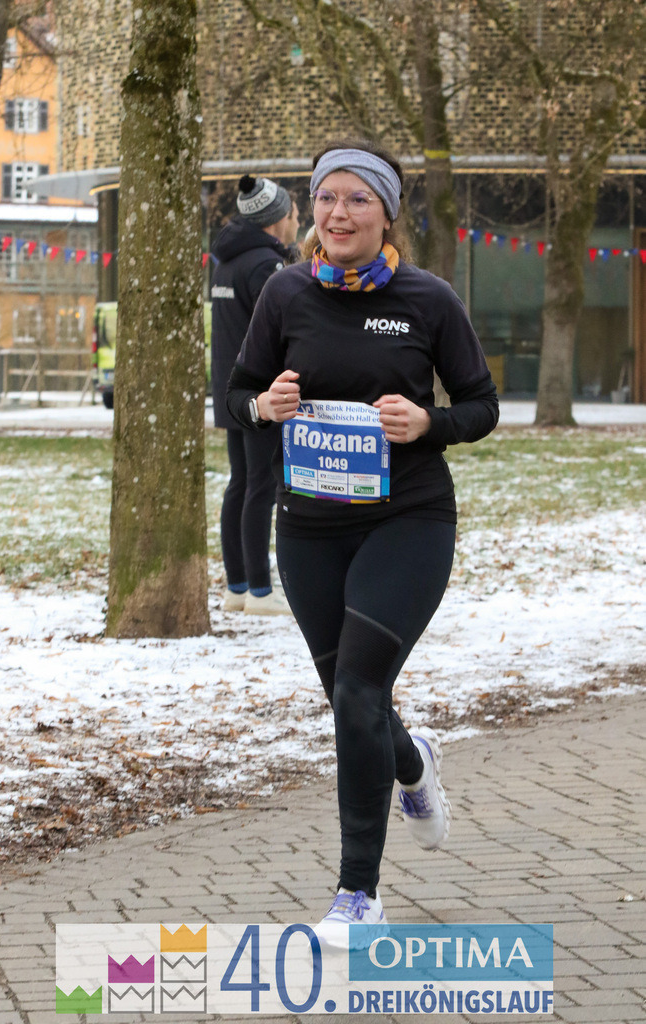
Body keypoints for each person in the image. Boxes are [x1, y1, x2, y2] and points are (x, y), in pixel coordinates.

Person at [226, 140, 499, 944]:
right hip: (309, 528)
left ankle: (357, 893)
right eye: (325, 198)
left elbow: (481, 406)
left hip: (406, 519)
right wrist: (263, 407)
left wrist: (428, 423)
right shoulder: (284, 292)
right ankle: (411, 762)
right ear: (310, 209)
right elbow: (235, 395)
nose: (337, 214)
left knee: (355, 693)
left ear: (386, 214)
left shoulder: (427, 299)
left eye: (356, 200)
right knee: (355, 699)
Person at [211, 174, 299, 615]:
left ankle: (238, 586)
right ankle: (261, 591)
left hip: (228, 387)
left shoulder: (227, 262)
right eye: (295, 213)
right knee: (261, 486)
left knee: (241, 483)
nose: (298, 220)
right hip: (259, 393)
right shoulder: (266, 265)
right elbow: (279, 329)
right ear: (277, 218)